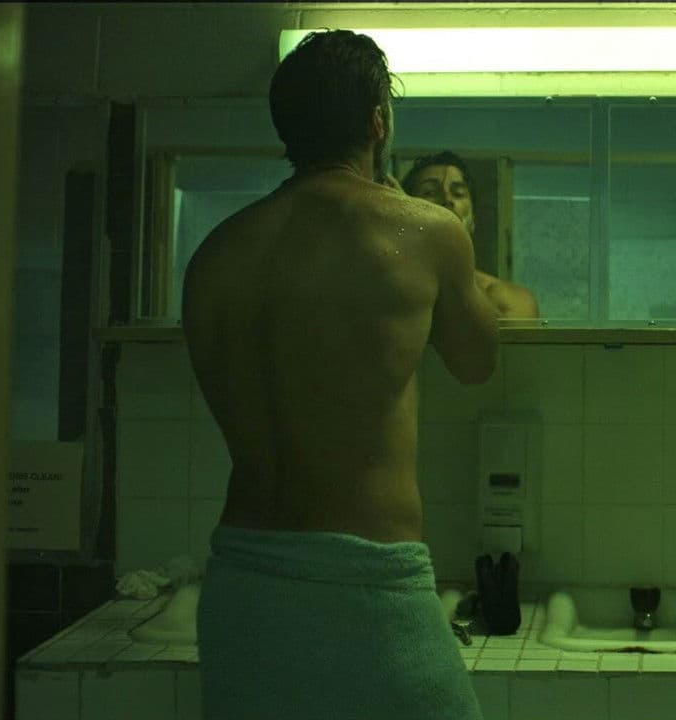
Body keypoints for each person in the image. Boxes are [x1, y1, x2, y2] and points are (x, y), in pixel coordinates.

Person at [182, 30, 497, 720]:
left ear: (288, 129)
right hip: (368, 583)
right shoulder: (426, 233)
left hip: (241, 582)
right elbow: (477, 363)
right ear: (378, 122)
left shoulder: (215, 254)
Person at [392, 150, 540, 320]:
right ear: (406, 214)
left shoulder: (511, 300)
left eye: (458, 193)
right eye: (429, 192)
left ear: (473, 219)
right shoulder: (390, 294)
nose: (447, 199)